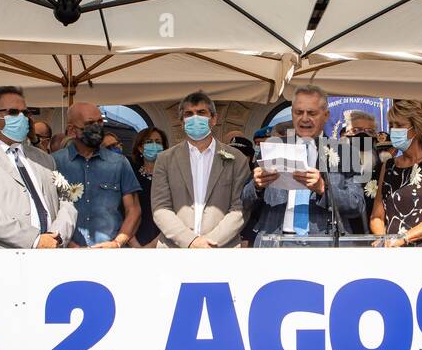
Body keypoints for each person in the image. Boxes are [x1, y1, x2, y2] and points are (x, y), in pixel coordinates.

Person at [0, 85, 77, 249]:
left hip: (49, 254)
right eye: (13, 112)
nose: (22, 117)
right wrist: (35, 240)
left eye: (25, 113)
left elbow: (67, 201)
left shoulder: (45, 159)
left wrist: (57, 237)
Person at [243, 84, 365, 239]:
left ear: (326, 115)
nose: (304, 118)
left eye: (312, 113)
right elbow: (244, 200)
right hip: (275, 242)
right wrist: (256, 186)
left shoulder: (345, 152)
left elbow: (357, 204)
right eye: (298, 112)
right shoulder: (273, 147)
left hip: (323, 244)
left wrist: (323, 189)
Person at [151, 90, 250, 248]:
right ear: (182, 122)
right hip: (174, 249)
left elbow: (240, 208)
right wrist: (191, 241)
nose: (195, 118)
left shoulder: (236, 158)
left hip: (221, 249)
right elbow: (161, 208)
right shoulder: (165, 159)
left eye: (201, 112)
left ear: (213, 119)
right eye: (189, 114)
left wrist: (209, 243)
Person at [53, 102, 140, 248]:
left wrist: (117, 242)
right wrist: (66, 244)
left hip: (110, 253)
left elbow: (134, 210)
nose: (97, 127)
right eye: (90, 123)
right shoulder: (54, 163)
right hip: (67, 254)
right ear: (72, 130)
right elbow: (48, 209)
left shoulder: (119, 163)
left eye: (100, 121)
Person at [370, 99, 422, 246]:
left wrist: (404, 238)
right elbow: (376, 216)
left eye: (399, 125)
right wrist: (383, 240)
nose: (393, 130)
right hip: (393, 253)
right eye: (392, 125)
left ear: (417, 128)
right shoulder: (389, 166)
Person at [129, 126, 169, 248]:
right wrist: (134, 244)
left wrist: (152, 246)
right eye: (148, 142)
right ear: (140, 148)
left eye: (158, 142)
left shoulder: (170, 176)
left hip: (163, 242)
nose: (154, 145)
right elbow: (124, 210)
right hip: (132, 242)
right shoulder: (131, 174)